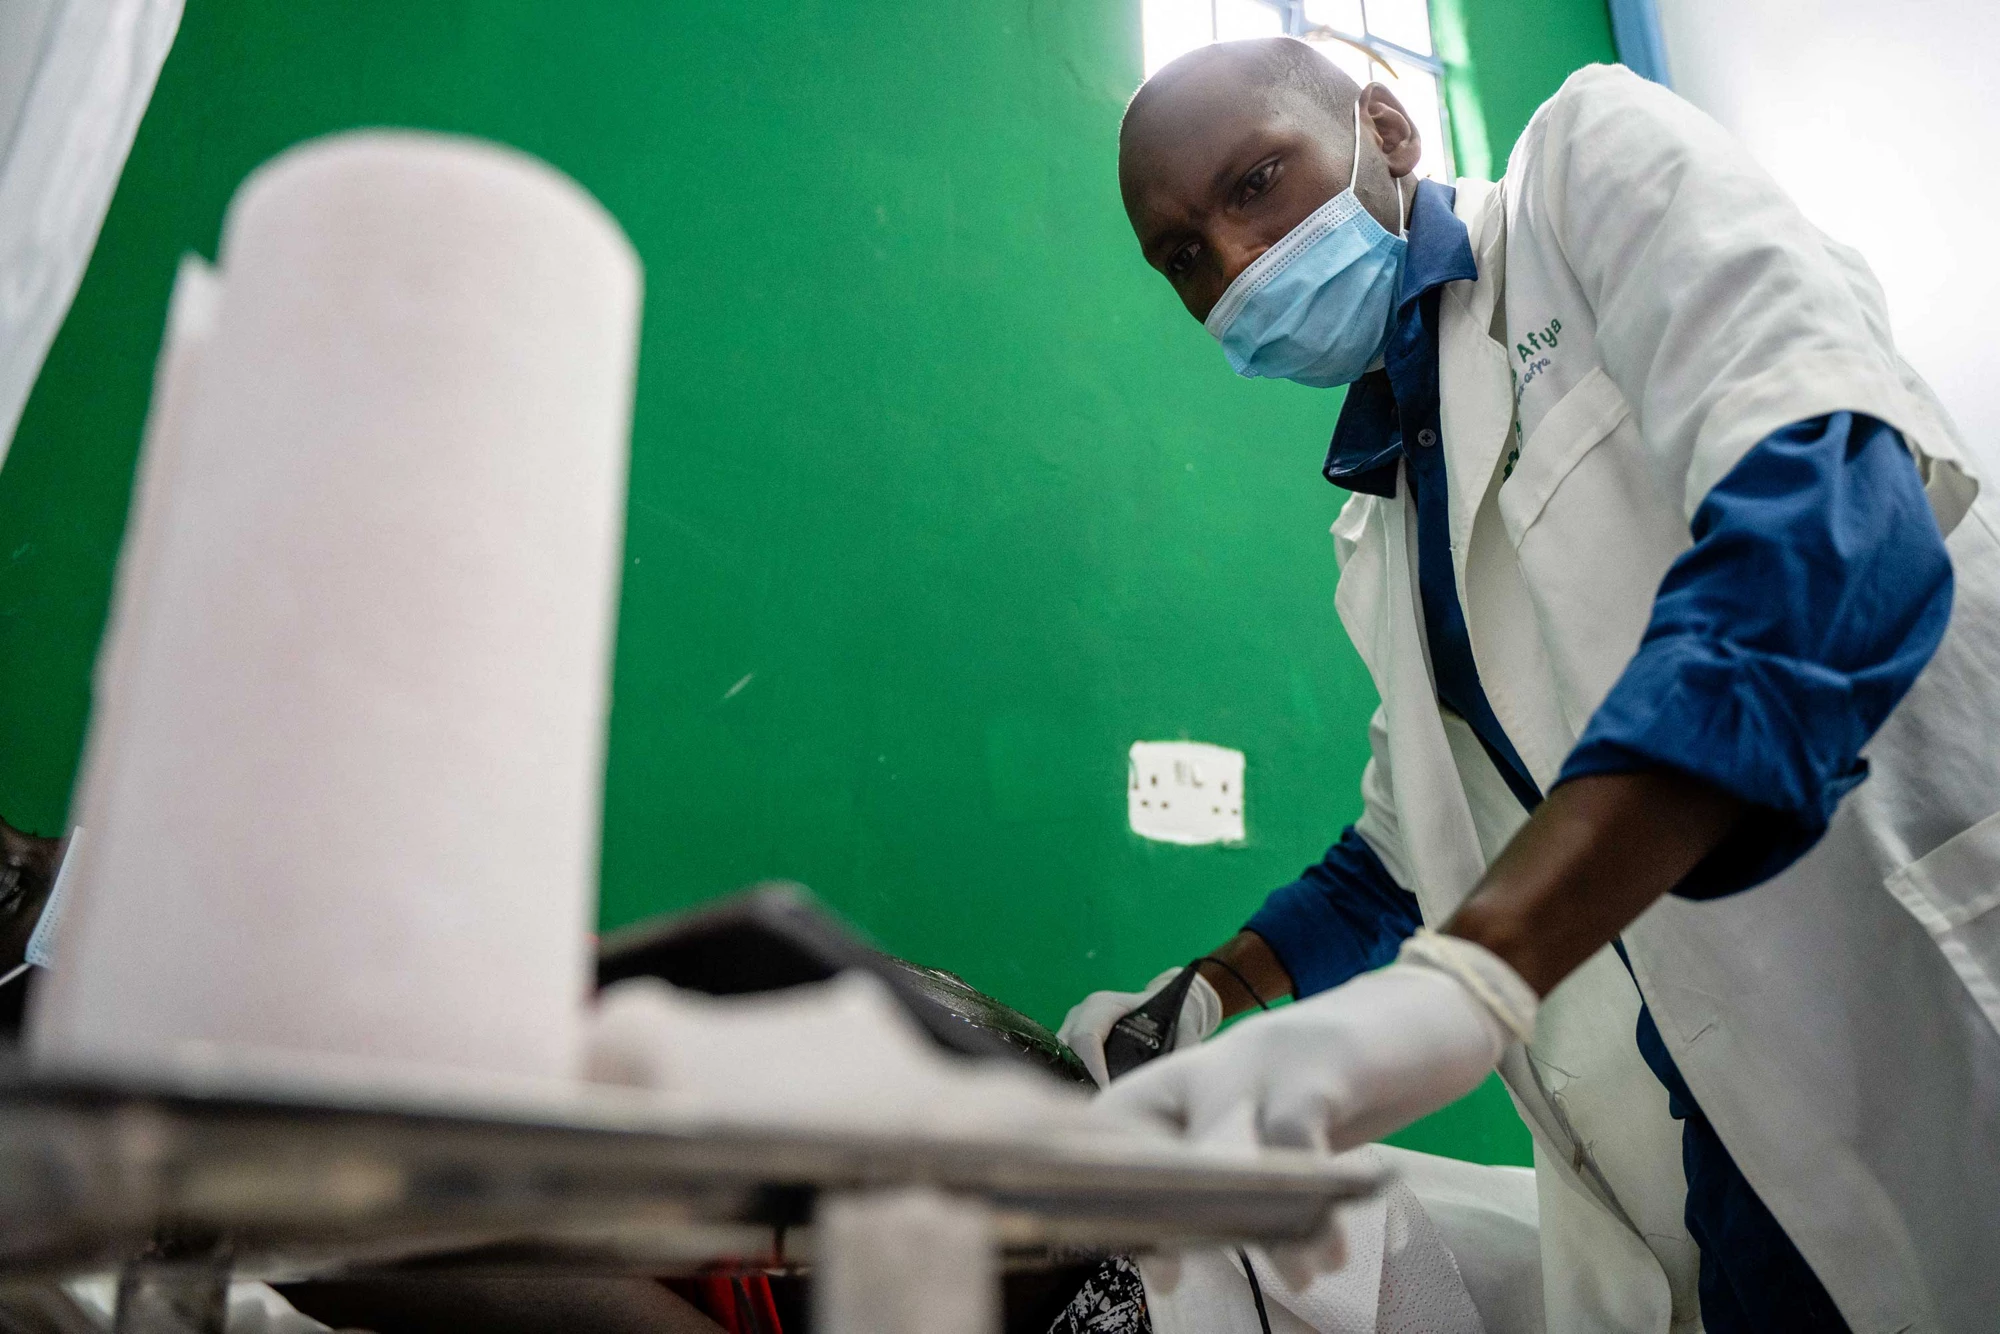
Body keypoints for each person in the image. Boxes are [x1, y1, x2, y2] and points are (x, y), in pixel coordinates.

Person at [1062, 38, 1999, 1334]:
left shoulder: (1586, 171)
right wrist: (1215, 985)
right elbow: (1411, 849)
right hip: (1720, 1116)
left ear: (1388, 130)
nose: (1231, 264)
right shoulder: (1385, 519)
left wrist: (1473, 978)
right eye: (1180, 254)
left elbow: (1835, 523)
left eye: (1257, 182)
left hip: (1913, 979)